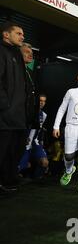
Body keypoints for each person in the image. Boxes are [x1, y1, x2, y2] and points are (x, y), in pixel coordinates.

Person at [0, 22, 29, 193]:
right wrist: (5, 106)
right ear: (6, 35)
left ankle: (8, 180)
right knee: (2, 151)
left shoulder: (16, 54)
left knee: (14, 151)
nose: (22, 36)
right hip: (5, 115)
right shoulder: (2, 51)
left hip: (18, 115)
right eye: (18, 33)